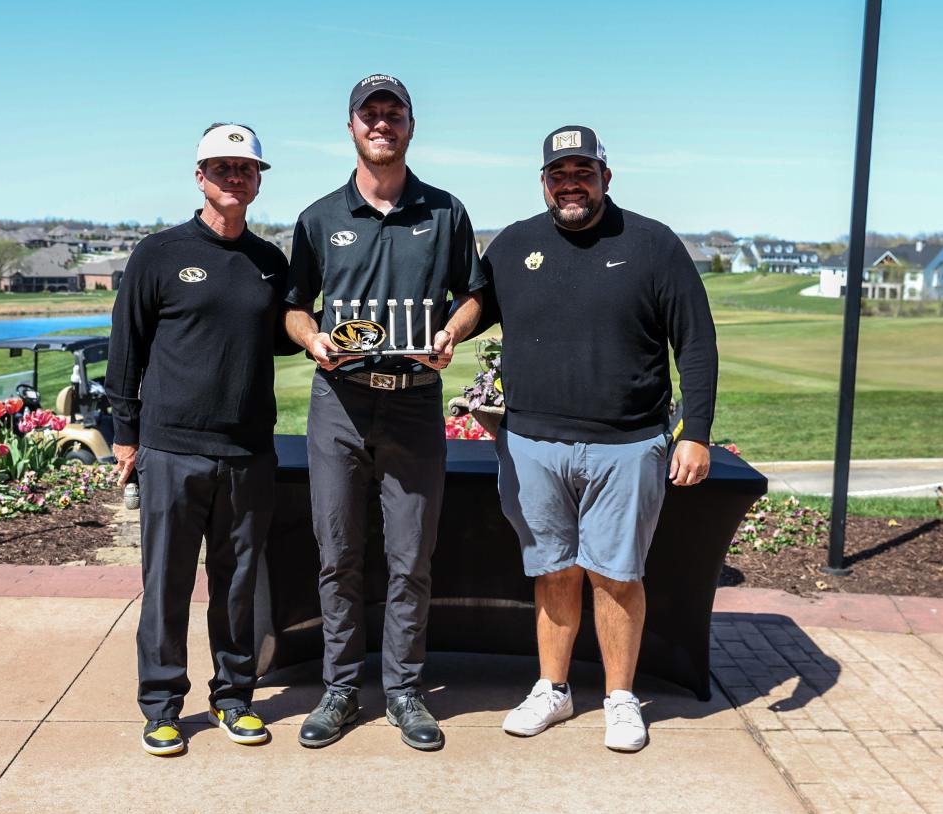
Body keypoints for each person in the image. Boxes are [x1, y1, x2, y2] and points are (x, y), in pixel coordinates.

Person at [480, 125, 718, 752]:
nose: (571, 183)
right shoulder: (514, 244)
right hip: (532, 442)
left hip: (627, 442)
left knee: (616, 576)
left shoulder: (652, 244)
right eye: (559, 174)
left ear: (606, 178)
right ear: (544, 181)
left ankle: (619, 698)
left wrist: (697, 432)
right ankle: (553, 690)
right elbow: (472, 305)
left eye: (583, 171)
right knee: (554, 571)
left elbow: (695, 342)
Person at [284, 74, 486, 751]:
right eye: (369, 114)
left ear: (410, 125)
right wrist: (312, 338)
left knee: (411, 560)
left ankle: (403, 691)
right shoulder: (319, 218)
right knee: (338, 555)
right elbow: (292, 304)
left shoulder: (446, 212)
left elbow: (476, 296)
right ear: (350, 127)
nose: (381, 124)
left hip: (414, 404)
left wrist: (453, 332)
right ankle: (340, 688)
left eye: (392, 113)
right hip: (339, 404)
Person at [106, 123, 295, 757]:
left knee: (238, 583)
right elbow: (125, 352)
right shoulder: (157, 255)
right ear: (200, 176)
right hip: (172, 447)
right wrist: (125, 436)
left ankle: (234, 698)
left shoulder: (270, 263)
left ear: (259, 179)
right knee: (166, 582)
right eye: (221, 168)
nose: (233, 178)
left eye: (245, 169)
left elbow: (285, 337)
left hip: (247, 450)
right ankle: (161, 705)